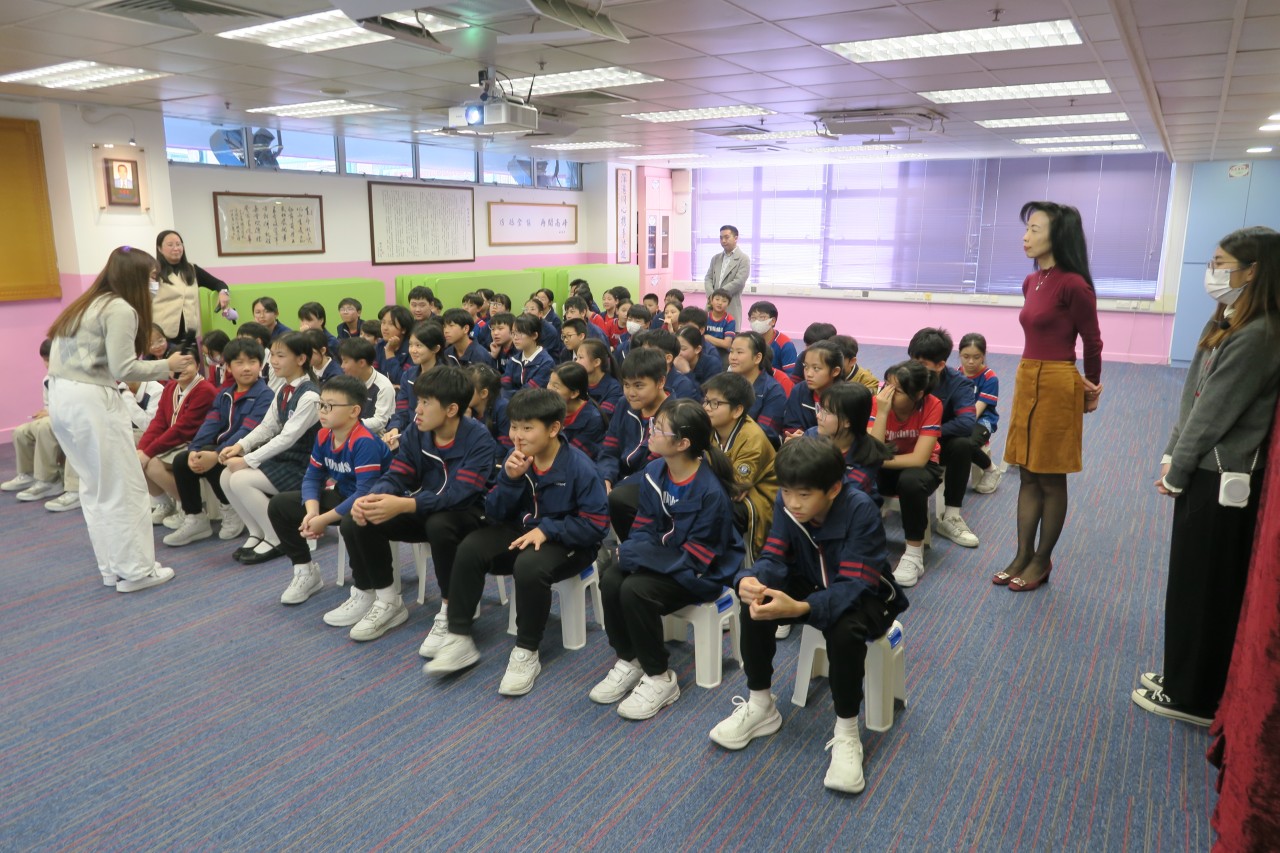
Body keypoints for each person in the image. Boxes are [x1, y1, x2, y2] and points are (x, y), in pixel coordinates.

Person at [1133, 226, 1280, 725]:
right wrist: (1171, 455)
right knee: (1188, 581)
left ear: (1253, 271)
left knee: (1204, 588)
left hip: (1222, 479)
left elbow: (1215, 412)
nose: (1212, 272)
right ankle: (1181, 675)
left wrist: (1180, 467)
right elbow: (1193, 396)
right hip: (1200, 469)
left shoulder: (1260, 333)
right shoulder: (1230, 319)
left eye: (1221, 264)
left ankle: (1194, 696)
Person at [709, 437, 907, 795]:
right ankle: (761, 705)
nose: (793, 503)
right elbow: (774, 556)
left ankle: (847, 732)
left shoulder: (860, 509)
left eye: (804, 494)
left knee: (844, 630)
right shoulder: (787, 505)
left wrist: (802, 608)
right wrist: (750, 579)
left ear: (833, 489)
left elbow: (854, 583)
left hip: (866, 594)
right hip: (812, 580)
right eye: (786, 492)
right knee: (756, 603)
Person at [424, 389, 609, 697]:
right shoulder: (517, 459)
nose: (517, 436)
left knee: (529, 566)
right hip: (523, 531)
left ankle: (526, 651)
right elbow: (494, 513)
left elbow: (596, 526)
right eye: (513, 427)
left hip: (571, 542)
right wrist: (510, 479)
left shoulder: (579, 467)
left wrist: (549, 530)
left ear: (553, 428)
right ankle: (459, 636)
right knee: (471, 547)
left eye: (527, 428)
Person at [44, 245, 194, 590]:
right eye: (153, 277)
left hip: (63, 398)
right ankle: (137, 571)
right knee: (124, 487)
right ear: (135, 277)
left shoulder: (85, 304)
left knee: (96, 488)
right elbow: (123, 367)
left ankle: (113, 567)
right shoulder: (120, 308)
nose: (156, 284)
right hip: (91, 399)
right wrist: (168, 366)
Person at [318, 366, 498, 646]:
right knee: (358, 517)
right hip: (423, 507)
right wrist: (373, 497)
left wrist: (405, 504)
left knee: (440, 524)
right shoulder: (417, 431)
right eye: (418, 400)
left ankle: (451, 608)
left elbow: (459, 496)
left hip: (468, 514)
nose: (417, 409)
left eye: (426, 402)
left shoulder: (479, 439)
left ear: (451, 409)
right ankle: (388, 601)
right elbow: (398, 474)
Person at [590, 399, 746, 719]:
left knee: (635, 589)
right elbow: (644, 527)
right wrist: (633, 554)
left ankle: (660, 676)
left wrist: (639, 558)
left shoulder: (710, 492)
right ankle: (630, 658)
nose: (651, 431)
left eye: (659, 429)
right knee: (612, 578)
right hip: (665, 558)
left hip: (701, 573)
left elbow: (698, 558)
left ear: (683, 443)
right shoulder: (654, 472)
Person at [995, 201, 1104, 591]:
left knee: (1050, 476)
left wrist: (1091, 385)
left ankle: (1042, 561)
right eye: (1026, 229)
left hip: (1058, 381)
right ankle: (1022, 554)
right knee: (1027, 472)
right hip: (1027, 376)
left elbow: (1092, 340)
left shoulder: (1074, 284)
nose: (1026, 237)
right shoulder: (1031, 281)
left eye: (1034, 229)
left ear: (1058, 235)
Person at [266, 375, 392, 626]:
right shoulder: (324, 435)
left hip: (375, 503)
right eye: (321, 405)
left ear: (354, 411)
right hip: (345, 495)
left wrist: (323, 520)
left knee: (351, 523)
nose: (322, 411)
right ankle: (305, 571)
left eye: (330, 406)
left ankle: (365, 590)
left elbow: (364, 493)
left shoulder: (364, 442)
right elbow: (312, 477)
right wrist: (312, 513)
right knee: (280, 505)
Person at [218, 333, 322, 565]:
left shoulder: (310, 396)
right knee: (226, 476)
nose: (273, 361)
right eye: (272, 354)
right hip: (285, 460)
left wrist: (247, 460)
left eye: (280, 355)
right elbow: (267, 427)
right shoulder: (284, 390)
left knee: (240, 480)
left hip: (304, 467)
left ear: (301, 359)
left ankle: (277, 537)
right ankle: (257, 532)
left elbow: (286, 438)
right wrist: (239, 446)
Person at [163, 338, 272, 547]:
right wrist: (194, 449)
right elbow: (210, 424)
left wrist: (216, 453)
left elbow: (248, 431)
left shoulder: (265, 395)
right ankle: (195, 518)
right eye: (239, 363)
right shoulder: (225, 394)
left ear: (260, 365)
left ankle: (231, 509)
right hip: (221, 449)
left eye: (252, 362)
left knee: (217, 459)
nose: (247, 368)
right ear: (228, 367)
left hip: (249, 451)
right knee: (183, 460)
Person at [869, 361, 943, 588]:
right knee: (856, 476)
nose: (887, 394)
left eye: (897, 391)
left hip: (922, 468)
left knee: (911, 481)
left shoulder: (932, 404)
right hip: (885, 464)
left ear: (918, 394)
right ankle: (862, 542)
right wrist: (883, 412)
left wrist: (877, 459)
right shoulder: (879, 403)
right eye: (886, 386)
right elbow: (874, 450)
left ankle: (913, 553)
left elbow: (919, 459)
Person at [907, 328, 980, 549]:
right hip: (905, 439)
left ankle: (951, 516)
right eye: (912, 361)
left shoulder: (959, 383)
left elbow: (967, 423)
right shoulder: (903, 375)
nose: (914, 368)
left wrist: (929, 432)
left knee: (963, 445)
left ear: (940, 365)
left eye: (922, 364)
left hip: (939, 442)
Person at [700, 372, 779, 561]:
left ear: (737, 410)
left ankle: (725, 564)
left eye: (715, 403)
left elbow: (736, 487)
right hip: (717, 490)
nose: (707, 408)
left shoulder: (752, 437)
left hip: (759, 498)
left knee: (722, 509)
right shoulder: (709, 427)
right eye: (706, 401)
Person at [138, 345, 217, 526]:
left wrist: (148, 452)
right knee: (137, 458)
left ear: (198, 365)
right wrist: (142, 449)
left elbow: (182, 429)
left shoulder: (205, 390)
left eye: (188, 363)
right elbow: (159, 422)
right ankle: (165, 504)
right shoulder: (170, 387)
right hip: (176, 443)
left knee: (152, 465)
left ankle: (191, 509)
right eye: (177, 365)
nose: (182, 369)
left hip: (195, 444)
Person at [599, 349, 669, 542]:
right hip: (621, 479)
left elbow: (657, 468)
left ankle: (629, 546)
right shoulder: (624, 404)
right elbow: (610, 448)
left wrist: (616, 487)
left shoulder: (674, 414)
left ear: (660, 382)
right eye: (626, 385)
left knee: (618, 498)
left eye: (639, 385)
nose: (631, 392)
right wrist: (605, 477)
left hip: (654, 485)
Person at [3, 339, 80, 509]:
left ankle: (49, 480)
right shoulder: (48, 380)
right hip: (56, 417)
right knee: (21, 431)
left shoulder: (77, 378)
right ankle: (28, 474)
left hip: (72, 420)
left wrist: (52, 412)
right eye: (45, 360)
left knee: (45, 426)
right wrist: (49, 412)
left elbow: (77, 406)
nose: (47, 364)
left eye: (51, 359)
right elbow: (48, 405)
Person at [809, 382, 893, 503]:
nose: (818, 415)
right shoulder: (811, 435)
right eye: (820, 408)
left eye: (826, 412)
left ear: (847, 421)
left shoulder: (868, 456)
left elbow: (842, 496)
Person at [153, 230, 229, 346]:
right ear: (159, 248)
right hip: (163, 336)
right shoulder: (153, 271)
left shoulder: (192, 269)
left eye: (178, 244)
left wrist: (224, 293)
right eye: (170, 245)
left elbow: (218, 283)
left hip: (190, 335)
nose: (176, 248)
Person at [957, 333, 1003, 494]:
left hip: (981, 420)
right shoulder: (956, 374)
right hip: (960, 418)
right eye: (966, 356)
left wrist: (958, 426)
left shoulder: (990, 378)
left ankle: (992, 470)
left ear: (983, 355)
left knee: (966, 444)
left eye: (976, 357)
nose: (971, 361)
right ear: (959, 354)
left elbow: (977, 410)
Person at [385, 321, 444, 442]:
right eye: (411, 345)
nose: (413, 350)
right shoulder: (409, 375)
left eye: (419, 345)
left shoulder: (445, 377)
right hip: (408, 434)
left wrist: (405, 437)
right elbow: (402, 409)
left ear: (436, 348)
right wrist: (395, 428)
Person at [727, 332, 786, 446]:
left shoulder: (773, 390)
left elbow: (765, 432)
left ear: (757, 358)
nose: (733, 357)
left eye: (739, 352)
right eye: (731, 351)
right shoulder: (724, 383)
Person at [783, 341, 844, 436]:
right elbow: (790, 425)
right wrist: (792, 437)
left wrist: (808, 438)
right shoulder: (798, 391)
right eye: (806, 367)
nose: (809, 374)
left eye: (816, 368)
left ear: (835, 371)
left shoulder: (846, 398)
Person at [548, 362, 605, 460]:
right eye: (549, 383)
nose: (549, 389)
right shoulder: (549, 406)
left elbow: (572, 455)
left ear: (574, 393)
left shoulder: (593, 420)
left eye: (556, 387)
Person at [338, 337, 395, 435]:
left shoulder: (384, 387)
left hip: (374, 437)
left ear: (361, 363)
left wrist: (349, 423)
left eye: (345, 361)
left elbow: (380, 421)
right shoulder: (347, 380)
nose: (342, 366)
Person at [464, 363, 510, 464]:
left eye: (468, 389)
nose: (462, 392)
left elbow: (504, 449)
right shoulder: (466, 409)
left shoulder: (503, 409)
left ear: (484, 393)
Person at [703, 224, 750, 323]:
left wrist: (718, 296)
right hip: (712, 304)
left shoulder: (743, 259)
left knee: (729, 331)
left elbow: (739, 282)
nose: (723, 241)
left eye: (726, 237)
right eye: (721, 238)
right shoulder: (715, 258)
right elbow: (708, 278)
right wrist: (711, 296)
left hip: (731, 304)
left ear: (736, 238)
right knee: (707, 329)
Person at [501, 314, 554, 397]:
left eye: (520, 333)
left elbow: (529, 393)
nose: (515, 338)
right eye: (513, 333)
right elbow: (505, 387)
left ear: (534, 335)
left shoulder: (546, 363)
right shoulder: (514, 360)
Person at [575, 338, 623, 422]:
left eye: (581, 357)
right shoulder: (576, 382)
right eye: (576, 358)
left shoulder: (614, 388)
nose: (576, 362)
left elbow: (601, 418)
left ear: (596, 362)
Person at [747, 301, 797, 374]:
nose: (757, 322)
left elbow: (791, 375)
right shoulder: (747, 341)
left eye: (762, 317)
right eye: (753, 318)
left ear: (773, 321)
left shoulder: (785, 344)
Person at [375, 304, 414, 385]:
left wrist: (389, 352)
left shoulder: (412, 349)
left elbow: (402, 380)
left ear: (403, 329)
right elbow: (374, 375)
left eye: (391, 324)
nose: (385, 328)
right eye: (383, 322)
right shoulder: (380, 345)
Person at [704, 287, 736, 353]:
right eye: (717, 299)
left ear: (728, 304)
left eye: (724, 301)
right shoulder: (704, 316)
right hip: (704, 349)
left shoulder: (730, 320)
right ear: (711, 301)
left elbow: (727, 344)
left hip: (722, 352)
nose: (720, 303)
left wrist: (707, 337)